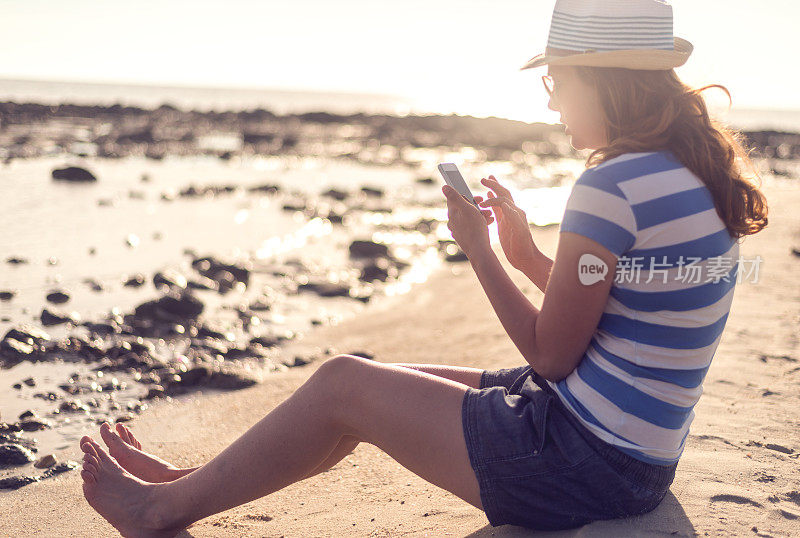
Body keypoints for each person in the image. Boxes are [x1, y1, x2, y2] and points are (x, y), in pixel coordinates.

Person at [77, 0, 769, 534]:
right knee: (383, 381)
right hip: (635, 453)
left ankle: (157, 515)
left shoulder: (610, 185)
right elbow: (628, 302)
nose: (551, 101)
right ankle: (186, 486)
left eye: (558, 81)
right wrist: (528, 255)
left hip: (582, 460)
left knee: (343, 385)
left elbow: (551, 356)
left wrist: (481, 250)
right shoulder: (696, 172)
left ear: (604, 81)